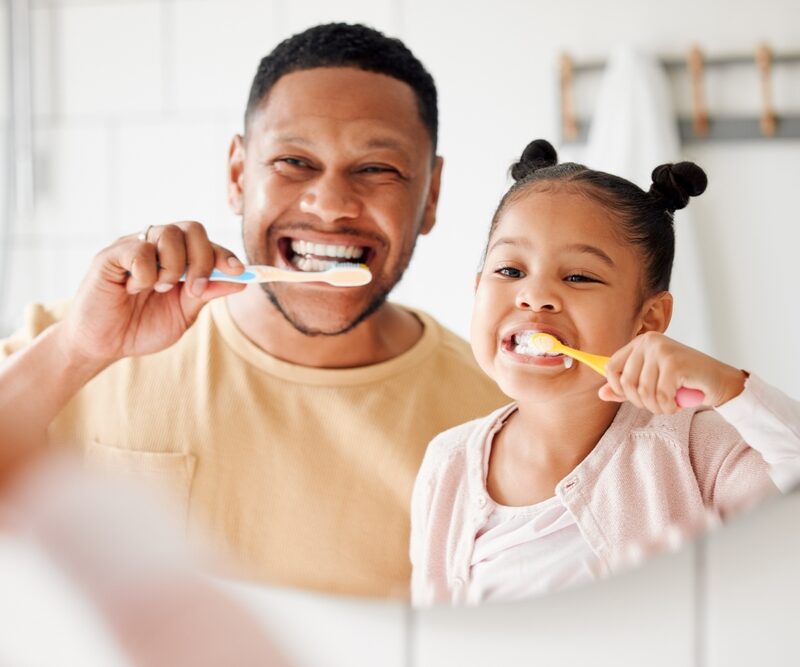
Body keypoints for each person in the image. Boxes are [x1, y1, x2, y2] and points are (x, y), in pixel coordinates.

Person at [0, 23, 508, 599]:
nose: (332, 205)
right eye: (294, 161)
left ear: (432, 196)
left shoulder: (497, 415)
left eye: (376, 169)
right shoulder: (77, 346)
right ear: (239, 174)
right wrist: (77, 352)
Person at [410, 139, 800, 606]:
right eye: (510, 270)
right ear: (477, 290)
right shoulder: (447, 463)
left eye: (578, 277)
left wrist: (732, 389)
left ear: (650, 320)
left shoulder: (698, 450)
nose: (535, 296)